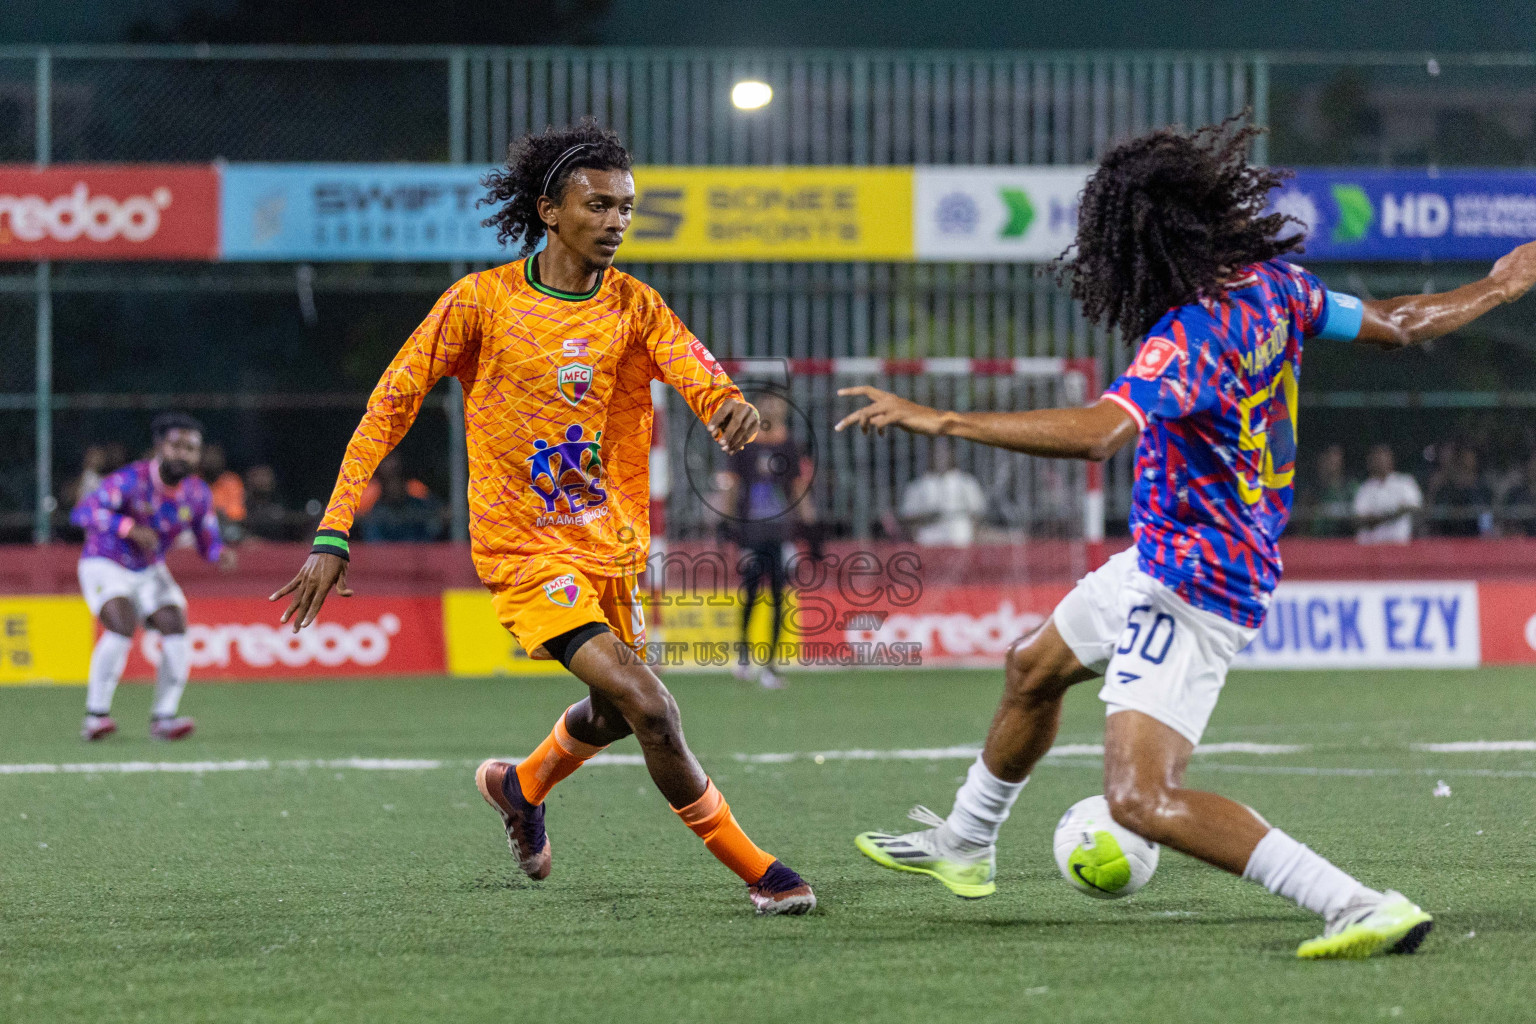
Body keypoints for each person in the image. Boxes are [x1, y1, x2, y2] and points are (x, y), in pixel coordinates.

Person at [836, 117, 1536, 959]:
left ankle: (1356, 903)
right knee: (1032, 668)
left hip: (1194, 577)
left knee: (1141, 800)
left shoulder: (1191, 335)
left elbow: (1102, 432)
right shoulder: (1283, 288)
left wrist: (943, 416)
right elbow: (1399, 321)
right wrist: (1499, 286)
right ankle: (966, 840)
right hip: (1169, 554)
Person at [271, 119, 814, 916]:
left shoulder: (633, 304)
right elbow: (387, 410)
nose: (616, 221)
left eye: (626, 207)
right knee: (655, 707)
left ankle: (518, 786)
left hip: (609, 543)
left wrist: (727, 403)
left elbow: (694, 365)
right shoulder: (479, 303)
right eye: (598, 205)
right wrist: (333, 529)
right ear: (549, 211)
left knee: (615, 713)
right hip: (525, 551)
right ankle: (761, 872)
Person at [70, 413, 237, 741]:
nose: (183, 454)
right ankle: (95, 717)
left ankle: (164, 718)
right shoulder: (131, 480)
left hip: (148, 568)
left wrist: (221, 554)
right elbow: (84, 512)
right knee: (120, 625)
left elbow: (208, 542)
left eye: (191, 448)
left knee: (175, 625)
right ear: (159, 447)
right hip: (105, 560)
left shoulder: (197, 494)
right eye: (176, 445)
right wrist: (129, 528)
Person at [717, 392, 814, 689]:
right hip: (751, 533)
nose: (773, 408)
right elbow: (732, 488)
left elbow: (797, 489)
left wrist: (811, 528)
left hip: (780, 534)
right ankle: (744, 656)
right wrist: (727, 524)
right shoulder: (743, 444)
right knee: (749, 594)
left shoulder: (789, 446)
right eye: (768, 403)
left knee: (778, 598)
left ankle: (771, 665)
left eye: (778, 403)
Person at [898, 437, 986, 546]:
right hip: (928, 536)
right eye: (936, 452)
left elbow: (978, 515)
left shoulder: (967, 483)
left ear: (952, 454)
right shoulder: (917, 486)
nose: (940, 456)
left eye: (944, 451)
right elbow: (908, 517)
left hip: (959, 538)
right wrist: (928, 516)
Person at [357, 455, 444, 542]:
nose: (394, 485)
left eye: (396, 472)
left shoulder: (416, 490)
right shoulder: (372, 497)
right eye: (389, 479)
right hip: (383, 549)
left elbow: (438, 512)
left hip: (415, 549)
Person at [1353, 444, 1422, 545]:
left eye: (1383, 456)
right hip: (1370, 548)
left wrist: (1377, 518)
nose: (1380, 461)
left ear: (1391, 459)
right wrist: (1393, 514)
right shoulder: (1365, 488)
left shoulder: (1405, 482)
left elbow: (1414, 508)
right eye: (1376, 457)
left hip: (1399, 545)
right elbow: (1359, 519)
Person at [1429, 447, 1493, 537]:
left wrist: (1486, 532)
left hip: (1475, 534)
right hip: (1449, 535)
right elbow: (1436, 511)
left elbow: (1486, 511)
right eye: (1464, 461)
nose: (1468, 462)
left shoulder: (1482, 486)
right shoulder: (1447, 486)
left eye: (1471, 460)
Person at [1303, 443, 1354, 537]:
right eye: (1328, 457)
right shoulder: (1312, 491)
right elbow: (1303, 522)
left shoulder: (1351, 487)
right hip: (1318, 540)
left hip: (1346, 539)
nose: (1332, 461)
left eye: (1336, 457)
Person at [1498, 451, 1536, 536]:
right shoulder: (1514, 494)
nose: (1534, 468)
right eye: (1533, 464)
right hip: (1519, 544)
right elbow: (1504, 522)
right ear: (1527, 466)